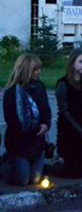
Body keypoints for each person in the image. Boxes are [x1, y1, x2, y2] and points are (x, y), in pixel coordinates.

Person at [2, 54, 51, 186]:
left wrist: (45, 125)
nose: (39, 72)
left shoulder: (40, 87)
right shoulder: (12, 92)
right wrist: (31, 129)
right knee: (22, 180)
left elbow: (46, 109)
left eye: (39, 69)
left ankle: (27, 163)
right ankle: (7, 162)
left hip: (37, 142)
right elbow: (11, 120)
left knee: (35, 180)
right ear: (26, 70)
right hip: (20, 143)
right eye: (35, 69)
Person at [55, 50, 82, 179]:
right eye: (81, 62)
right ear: (72, 63)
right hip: (70, 134)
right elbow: (65, 113)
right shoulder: (63, 85)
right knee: (71, 173)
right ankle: (53, 164)